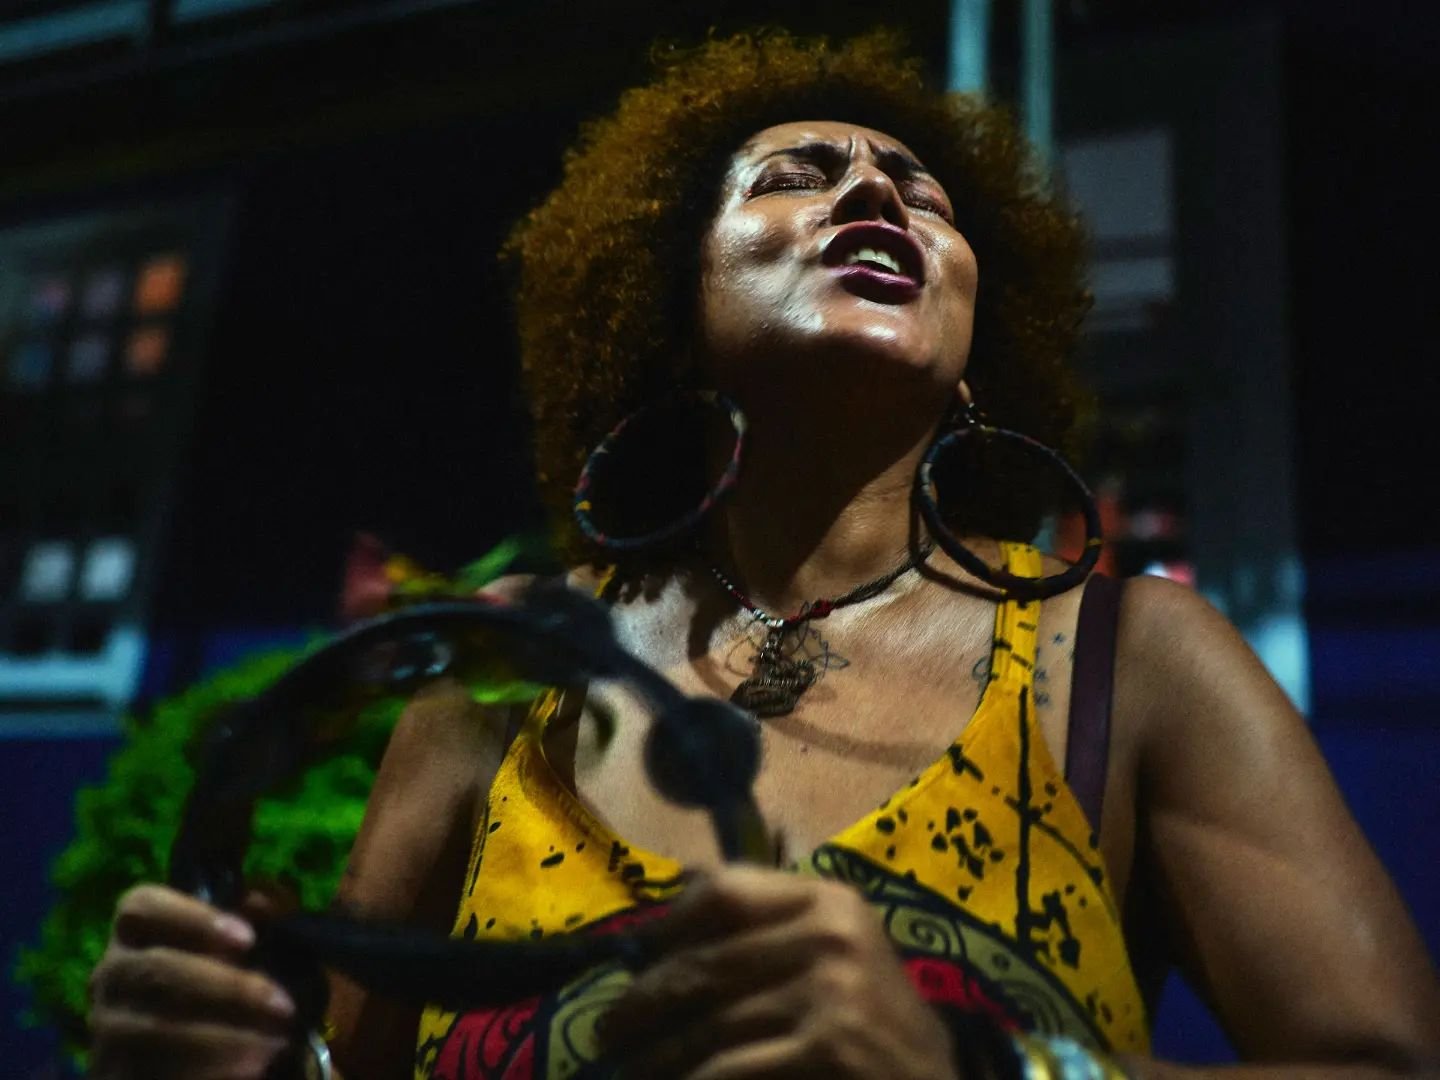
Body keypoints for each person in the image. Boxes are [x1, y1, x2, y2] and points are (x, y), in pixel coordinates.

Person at [87, 29, 1440, 1080]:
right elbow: (345, 1061)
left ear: (981, 341)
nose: (874, 190)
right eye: (798, 174)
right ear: (667, 315)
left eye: (922, 192)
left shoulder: (1133, 663)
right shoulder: (502, 667)